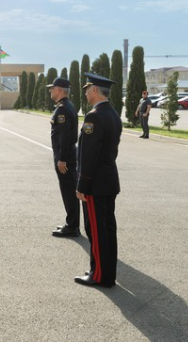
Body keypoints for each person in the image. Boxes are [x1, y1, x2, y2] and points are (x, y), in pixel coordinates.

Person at [75, 73, 122, 289]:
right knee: (108, 229)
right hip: (108, 180)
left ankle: (99, 275)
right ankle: (105, 271)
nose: (85, 93)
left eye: (87, 88)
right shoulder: (113, 114)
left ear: (95, 90)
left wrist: (82, 185)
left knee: (96, 230)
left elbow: (89, 155)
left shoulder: (93, 117)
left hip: (94, 184)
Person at [47, 77, 80, 237]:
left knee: (68, 191)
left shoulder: (62, 110)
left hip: (65, 157)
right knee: (69, 190)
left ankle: (72, 226)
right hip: (66, 155)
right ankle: (72, 223)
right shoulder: (67, 106)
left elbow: (65, 137)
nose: (50, 91)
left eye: (52, 88)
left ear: (60, 90)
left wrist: (62, 159)